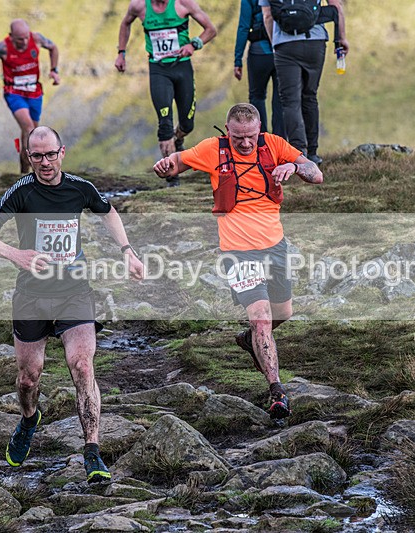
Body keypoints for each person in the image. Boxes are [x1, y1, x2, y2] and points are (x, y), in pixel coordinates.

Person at [0, 126, 144, 482]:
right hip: (32, 297)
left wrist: (127, 251)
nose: (45, 162)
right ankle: (29, 419)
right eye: (37, 156)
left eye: (51, 154)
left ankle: (92, 452)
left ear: (62, 152)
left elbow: (108, 211)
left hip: (74, 292)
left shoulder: (80, 188)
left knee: (82, 366)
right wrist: (14, 254)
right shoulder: (21, 192)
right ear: (28, 157)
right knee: (26, 380)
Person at [153, 103, 322, 421]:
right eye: (238, 137)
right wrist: (165, 166)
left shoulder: (273, 144)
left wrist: (295, 168)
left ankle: (249, 341)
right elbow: (178, 161)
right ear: (227, 130)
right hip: (238, 252)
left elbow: (317, 173)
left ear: (259, 129)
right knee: (261, 318)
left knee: (282, 313)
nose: (245, 143)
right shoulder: (212, 150)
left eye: (250, 136)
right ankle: (277, 393)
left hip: (275, 246)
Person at [115, 0, 217, 186]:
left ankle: (177, 140)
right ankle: (172, 177)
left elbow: (210, 29)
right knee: (164, 124)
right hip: (158, 70)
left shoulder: (183, 4)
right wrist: (121, 53)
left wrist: (194, 45)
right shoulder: (139, 6)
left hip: (182, 68)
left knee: (187, 124)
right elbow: (125, 23)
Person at [259, 0, 349, 165]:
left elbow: (267, 16)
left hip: (285, 45)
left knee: (290, 101)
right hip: (315, 42)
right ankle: (313, 153)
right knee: (310, 95)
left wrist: (275, 44)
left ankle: (299, 153)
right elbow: (337, 7)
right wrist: (341, 38)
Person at [0, 19, 61, 174]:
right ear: (11, 36)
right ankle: (36, 174)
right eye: (20, 39)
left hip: (34, 92)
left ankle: (23, 173)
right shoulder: (3, 48)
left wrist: (54, 70)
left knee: (31, 133)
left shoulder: (36, 39)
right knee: (29, 129)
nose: (24, 41)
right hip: (14, 93)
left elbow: (53, 47)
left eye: (26, 37)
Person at [234, 0, 285, 138]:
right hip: (283, 50)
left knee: (257, 97)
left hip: (259, 53)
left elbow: (243, 27)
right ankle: (279, 142)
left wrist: (238, 60)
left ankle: (261, 140)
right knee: (281, 99)